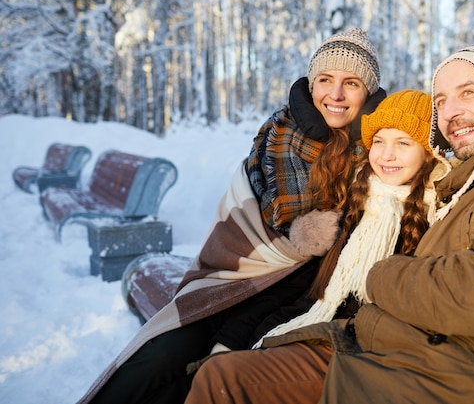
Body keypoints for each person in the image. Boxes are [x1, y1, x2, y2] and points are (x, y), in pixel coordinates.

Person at [183, 43, 474, 404]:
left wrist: (379, 274)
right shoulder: (472, 183)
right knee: (221, 376)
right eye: (441, 101)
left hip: (456, 378)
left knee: (225, 383)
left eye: (469, 93)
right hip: (400, 351)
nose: (452, 112)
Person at [78, 27, 386, 404]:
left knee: (202, 379)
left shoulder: (379, 157)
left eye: (351, 83)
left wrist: (230, 340)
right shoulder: (277, 137)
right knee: (155, 361)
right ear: (310, 83)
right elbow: (240, 228)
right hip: (229, 282)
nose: (335, 95)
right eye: (325, 79)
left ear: (368, 93)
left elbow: (325, 270)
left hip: (291, 306)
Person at [252, 89, 448, 347]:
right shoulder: (359, 196)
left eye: (403, 143)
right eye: (379, 141)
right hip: (319, 322)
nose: (387, 155)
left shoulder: (439, 214)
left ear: (428, 152)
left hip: (363, 345)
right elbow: (313, 290)